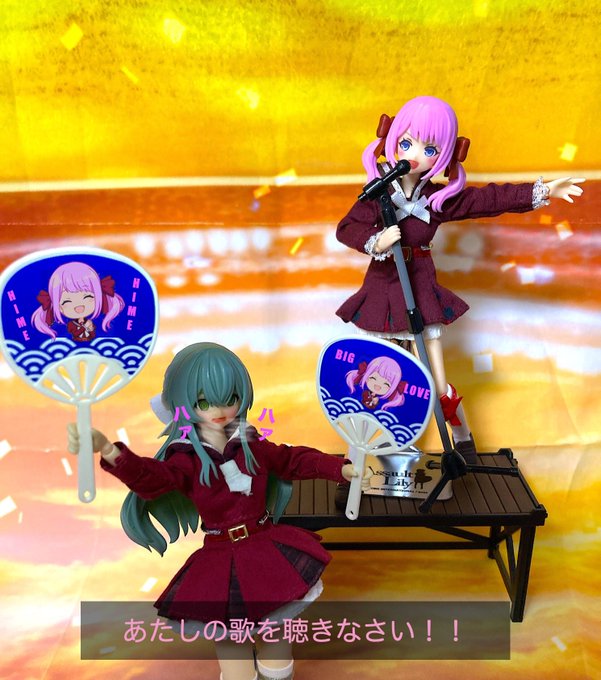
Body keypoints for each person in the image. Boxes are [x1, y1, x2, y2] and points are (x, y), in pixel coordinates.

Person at [67, 342, 359, 680]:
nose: (220, 409)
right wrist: (110, 451)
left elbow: (291, 459)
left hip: (265, 548)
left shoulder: (250, 442)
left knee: (277, 638)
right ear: (182, 403)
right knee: (232, 647)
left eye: (230, 397)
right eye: (204, 402)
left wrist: (340, 468)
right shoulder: (186, 457)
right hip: (222, 558)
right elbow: (152, 478)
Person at [336, 95, 584, 460]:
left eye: (429, 149)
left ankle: (462, 440)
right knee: (374, 375)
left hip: (420, 289)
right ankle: (358, 458)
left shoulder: (437, 199)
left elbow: (486, 200)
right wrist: (376, 241)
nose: (415, 154)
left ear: (445, 155)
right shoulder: (379, 194)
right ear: (392, 139)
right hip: (383, 292)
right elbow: (346, 228)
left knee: (436, 380)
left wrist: (541, 190)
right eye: (407, 143)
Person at [31, 261, 124, 341]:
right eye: (67, 302)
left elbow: (94, 333)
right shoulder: (69, 325)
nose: (79, 307)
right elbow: (73, 333)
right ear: (59, 307)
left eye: (87, 297)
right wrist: (84, 328)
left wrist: (90, 328)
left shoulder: (95, 322)